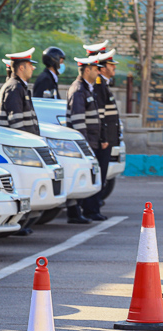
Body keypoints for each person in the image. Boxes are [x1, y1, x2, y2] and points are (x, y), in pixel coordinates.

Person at [67, 56, 107, 221]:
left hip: (91, 142)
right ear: (87, 70)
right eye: (96, 69)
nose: (99, 71)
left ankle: (82, 212)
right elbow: (78, 120)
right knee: (80, 178)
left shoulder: (87, 88)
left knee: (87, 177)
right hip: (84, 144)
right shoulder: (78, 90)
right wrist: (83, 145)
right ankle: (75, 213)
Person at [83, 43, 119, 221]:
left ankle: (94, 207)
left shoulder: (102, 84)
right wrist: (104, 137)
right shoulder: (98, 85)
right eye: (111, 65)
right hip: (101, 140)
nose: (113, 68)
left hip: (106, 139)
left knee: (101, 174)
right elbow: (100, 116)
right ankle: (92, 209)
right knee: (98, 174)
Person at [0, 48, 40, 135]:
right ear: (21, 68)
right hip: (20, 145)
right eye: (30, 65)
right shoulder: (14, 88)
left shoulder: (19, 86)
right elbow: (16, 123)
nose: (33, 68)